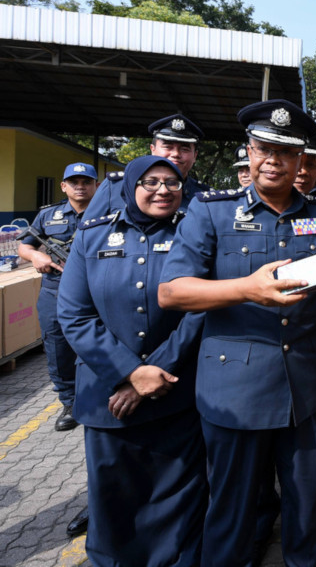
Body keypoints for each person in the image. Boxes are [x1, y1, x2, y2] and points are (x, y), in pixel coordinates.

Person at [158, 99, 316, 567]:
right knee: (232, 508)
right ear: (250, 150)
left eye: (286, 152)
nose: (274, 160)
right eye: (264, 148)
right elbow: (173, 292)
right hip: (234, 388)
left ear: (302, 160)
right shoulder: (212, 212)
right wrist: (247, 289)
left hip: (305, 385)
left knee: (307, 505)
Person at [56, 156, 207, 566]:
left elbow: (200, 310)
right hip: (108, 399)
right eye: (151, 181)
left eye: (172, 183)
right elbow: (73, 313)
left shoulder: (193, 235)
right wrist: (131, 373)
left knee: (176, 499)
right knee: (113, 500)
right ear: (129, 188)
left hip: (175, 394)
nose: (163, 190)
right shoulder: (92, 235)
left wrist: (157, 370)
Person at [17, 163, 98, 433]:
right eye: (73, 181)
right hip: (55, 290)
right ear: (63, 186)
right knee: (57, 347)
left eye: (86, 181)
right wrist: (35, 256)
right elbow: (24, 245)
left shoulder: (109, 213)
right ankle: (70, 403)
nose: (80, 186)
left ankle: (103, 395)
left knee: (100, 342)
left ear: (95, 185)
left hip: (96, 290)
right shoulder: (48, 215)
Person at [84, 113, 209, 219]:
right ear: (152, 149)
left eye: (184, 149)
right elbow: (88, 235)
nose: (176, 154)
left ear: (195, 156)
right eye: (168, 147)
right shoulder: (115, 187)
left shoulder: (206, 196)